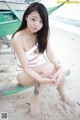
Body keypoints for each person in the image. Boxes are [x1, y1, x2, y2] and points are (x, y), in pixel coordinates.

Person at [12, 2, 73, 119]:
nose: (36, 25)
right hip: (24, 74)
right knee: (51, 67)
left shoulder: (43, 33)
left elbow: (51, 55)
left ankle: (62, 93)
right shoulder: (18, 38)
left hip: (40, 69)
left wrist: (60, 68)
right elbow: (26, 68)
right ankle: (35, 97)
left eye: (41, 21)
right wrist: (41, 79)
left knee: (57, 68)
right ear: (26, 17)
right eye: (33, 19)